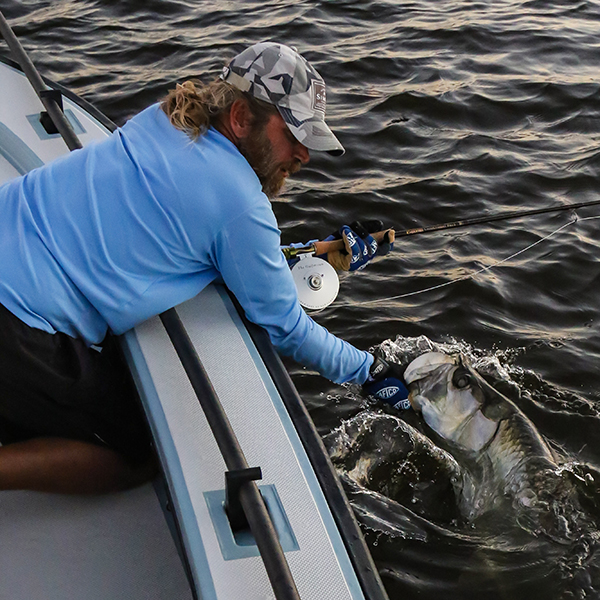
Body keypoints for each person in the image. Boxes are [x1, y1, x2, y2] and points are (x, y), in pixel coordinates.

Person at [0, 41, 407, 495]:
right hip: (16, 321)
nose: (303, 155)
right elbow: (286, 326)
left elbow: (210, 242)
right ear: (239, 118)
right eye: (293, 135)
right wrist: (370, 373)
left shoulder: (167, 119)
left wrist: (313, 253)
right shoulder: (240, 203)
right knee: (140, 452)